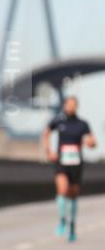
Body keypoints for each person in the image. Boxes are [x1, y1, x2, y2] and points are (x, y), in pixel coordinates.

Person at [43, 95, 96, 242]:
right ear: (65, 105)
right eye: (68, 104)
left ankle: (72, 225)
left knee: (73, 195)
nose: (70, 107)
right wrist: (49, 151)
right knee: (62, 189)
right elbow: (46, 133)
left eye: (73, 105)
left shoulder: (83, 124)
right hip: (61, 161)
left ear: (76, 107)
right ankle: (62, 220)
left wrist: (90, 143)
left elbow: (93, 141)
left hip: (76, 163)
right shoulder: (58, 120)